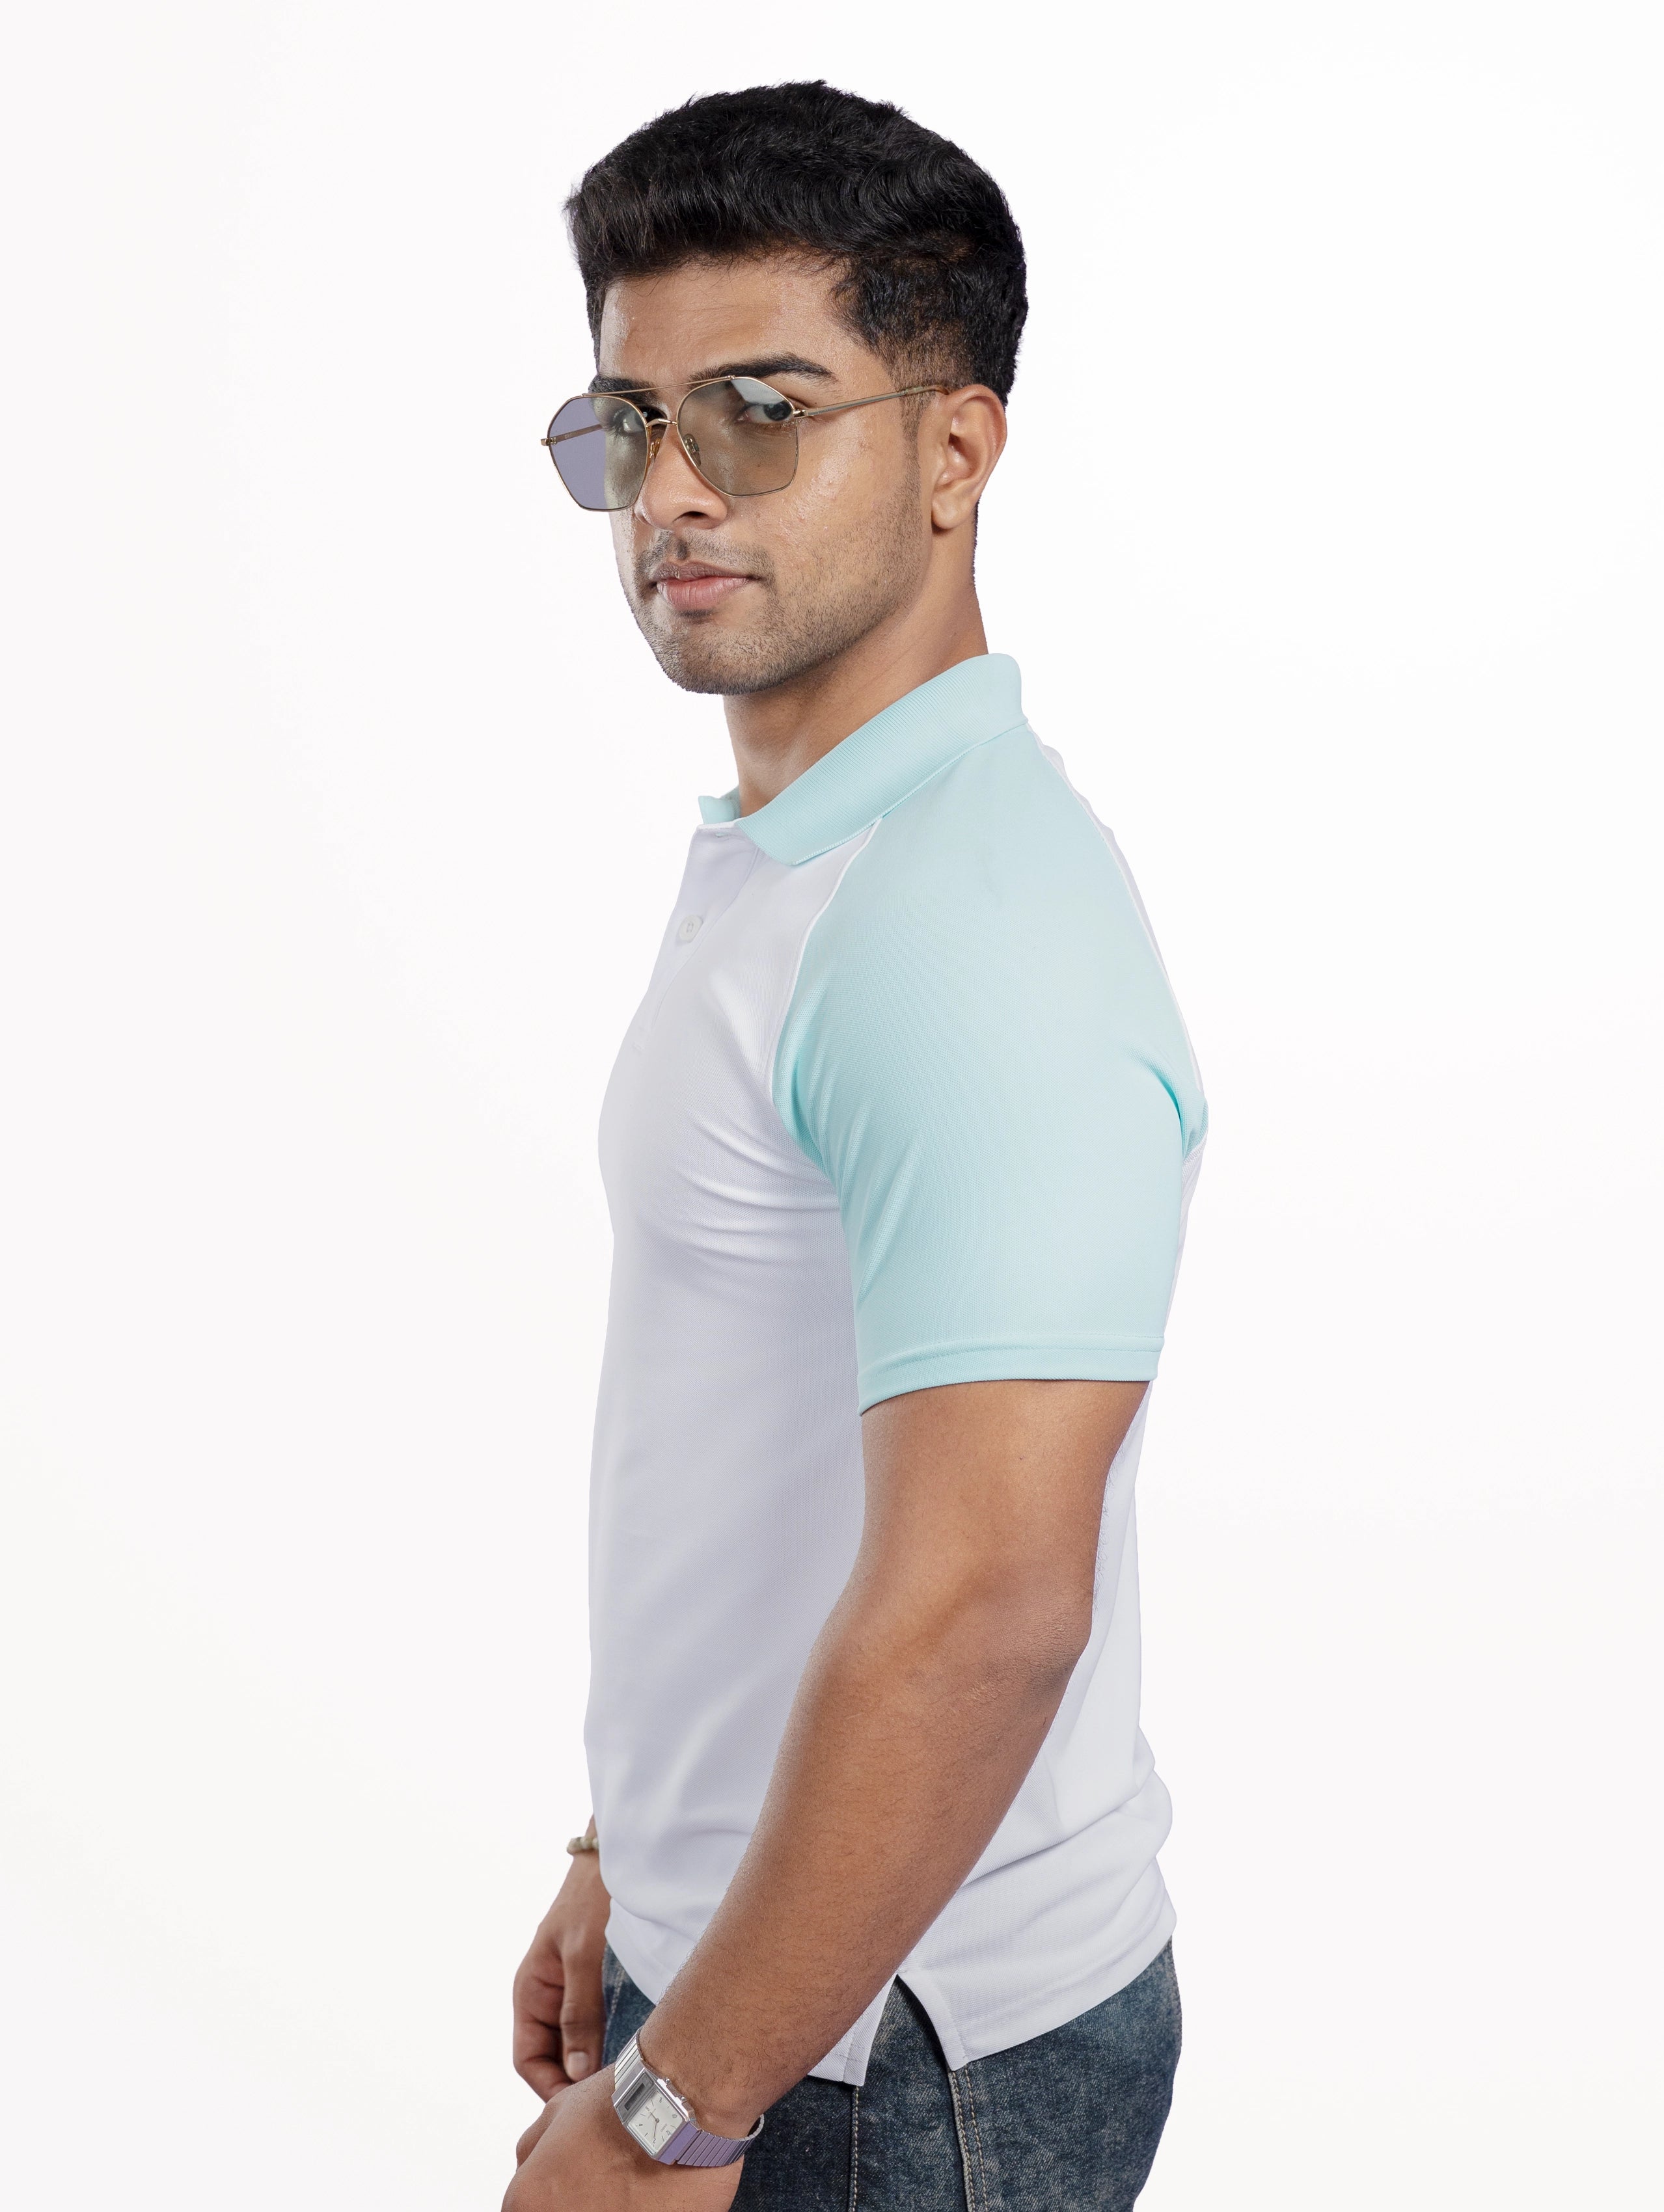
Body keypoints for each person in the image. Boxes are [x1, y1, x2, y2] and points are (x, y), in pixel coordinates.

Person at [506, 81, 1207, 2212]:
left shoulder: (965, 923)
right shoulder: (814, 851)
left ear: (956, 453)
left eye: (762, 412)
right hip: (782, 1977)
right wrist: (632, 1854)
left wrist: (675, 2108)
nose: (673, 491)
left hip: (893, 2055)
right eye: (632, 423)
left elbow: (988, 1606)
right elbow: (750, 1450)